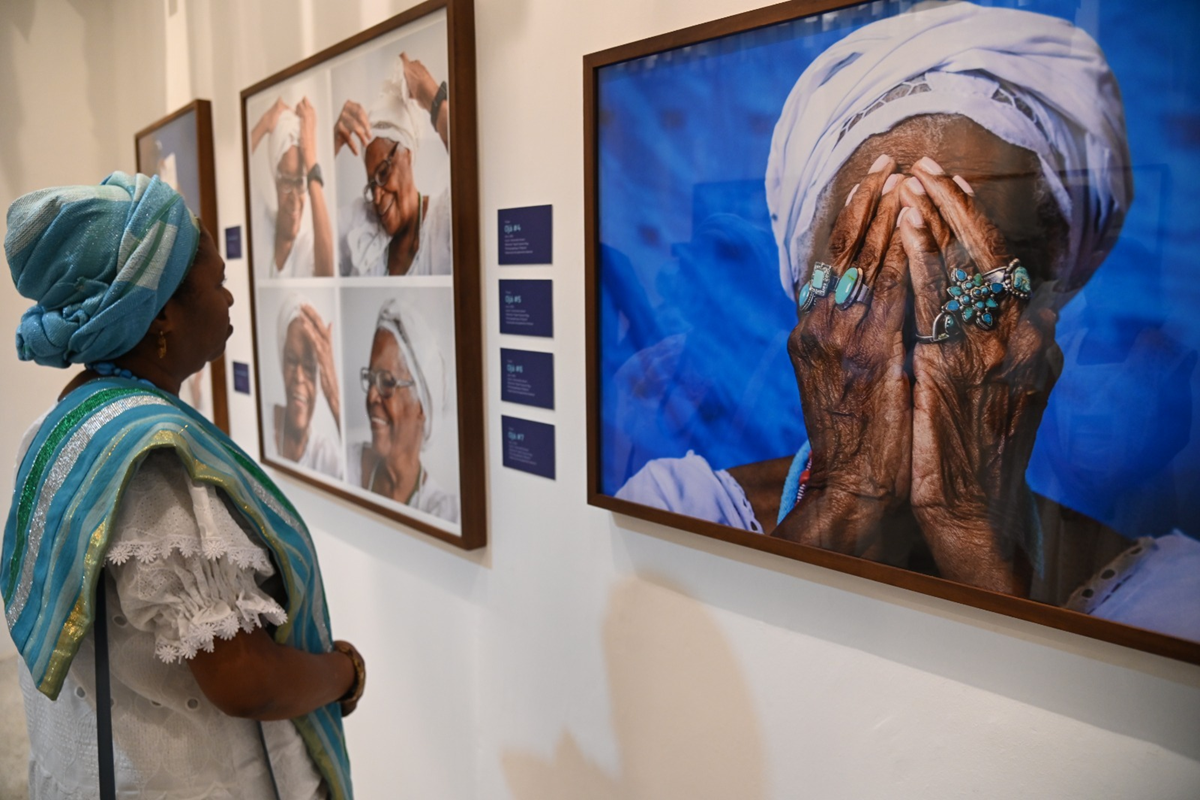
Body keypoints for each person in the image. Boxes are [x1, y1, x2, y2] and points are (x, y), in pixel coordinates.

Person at [616, 2, 1199, 639]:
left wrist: (971, 530)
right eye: (869, 261)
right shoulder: (679, 511)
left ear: (1045, 312)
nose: (916, 318)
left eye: (969, 277)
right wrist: (842, 497)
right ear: (807, 297)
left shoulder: (1168, 605)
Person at [2, 172, 363, 798]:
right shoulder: (154, 467)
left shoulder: (61, 423)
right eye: (218, 284)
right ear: (163, 312)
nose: (229, 302)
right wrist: (344, 673)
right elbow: (243, 679)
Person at [335, 53, 452, 276]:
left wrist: (430, 94)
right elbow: (307, 235)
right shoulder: (362, 225)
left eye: (383, 172)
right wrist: (331, 144)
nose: (377, 197)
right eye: (371, 184)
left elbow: (472, 167)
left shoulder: (443, 219)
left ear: (407, 154)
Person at [348, 298, 459, 522]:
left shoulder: (446, 515)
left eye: (387, 382)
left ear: (422, 406)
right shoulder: (347, 465)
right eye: (370, 379)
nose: (371, 396)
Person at [251, 97, 334, 277]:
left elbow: (328, 273)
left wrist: (311, 161)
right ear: (275, 178)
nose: (295, 199)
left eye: (300, 182)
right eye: (287, 182)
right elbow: (232, 176)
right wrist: (264, 124)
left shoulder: (310, 246)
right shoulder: (260, 222)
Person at [275, 292, 344, 479]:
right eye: (291, 360)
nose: (299, 377)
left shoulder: (328, 457)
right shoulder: (264, 422)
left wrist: (335, 399)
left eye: (309, 367)